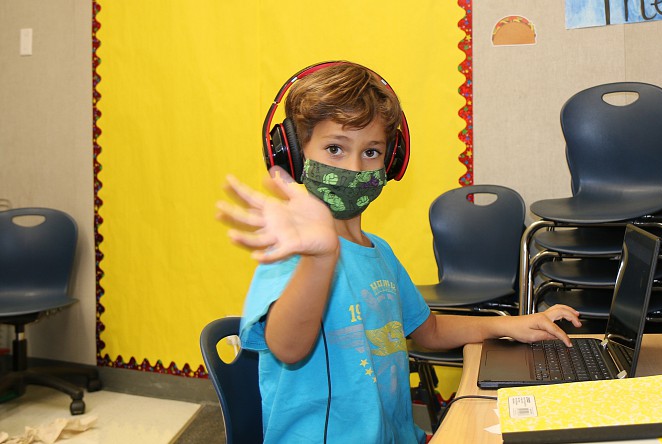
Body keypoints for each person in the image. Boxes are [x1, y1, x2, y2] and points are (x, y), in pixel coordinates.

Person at [216, 61, 582, 444]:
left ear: (392, 161)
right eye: (335, 148)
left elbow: (430, 329)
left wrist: (512, 325)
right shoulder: (293, 252)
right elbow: (288, 348)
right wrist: (320, 258)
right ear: (292, 155)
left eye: (371, 152)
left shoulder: (379, 253)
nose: (355, 167)